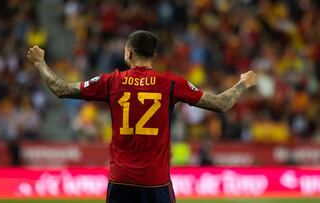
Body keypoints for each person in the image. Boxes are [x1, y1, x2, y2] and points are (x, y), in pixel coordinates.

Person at [27, 30, 257, 203]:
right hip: (154, 181)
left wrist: (40, 63)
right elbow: (221, 103)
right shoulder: (171, 83)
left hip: (120, 180)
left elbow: (61, 89)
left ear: (129, 52)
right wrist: (242, 83)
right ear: (154, 54)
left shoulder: (111, 81)